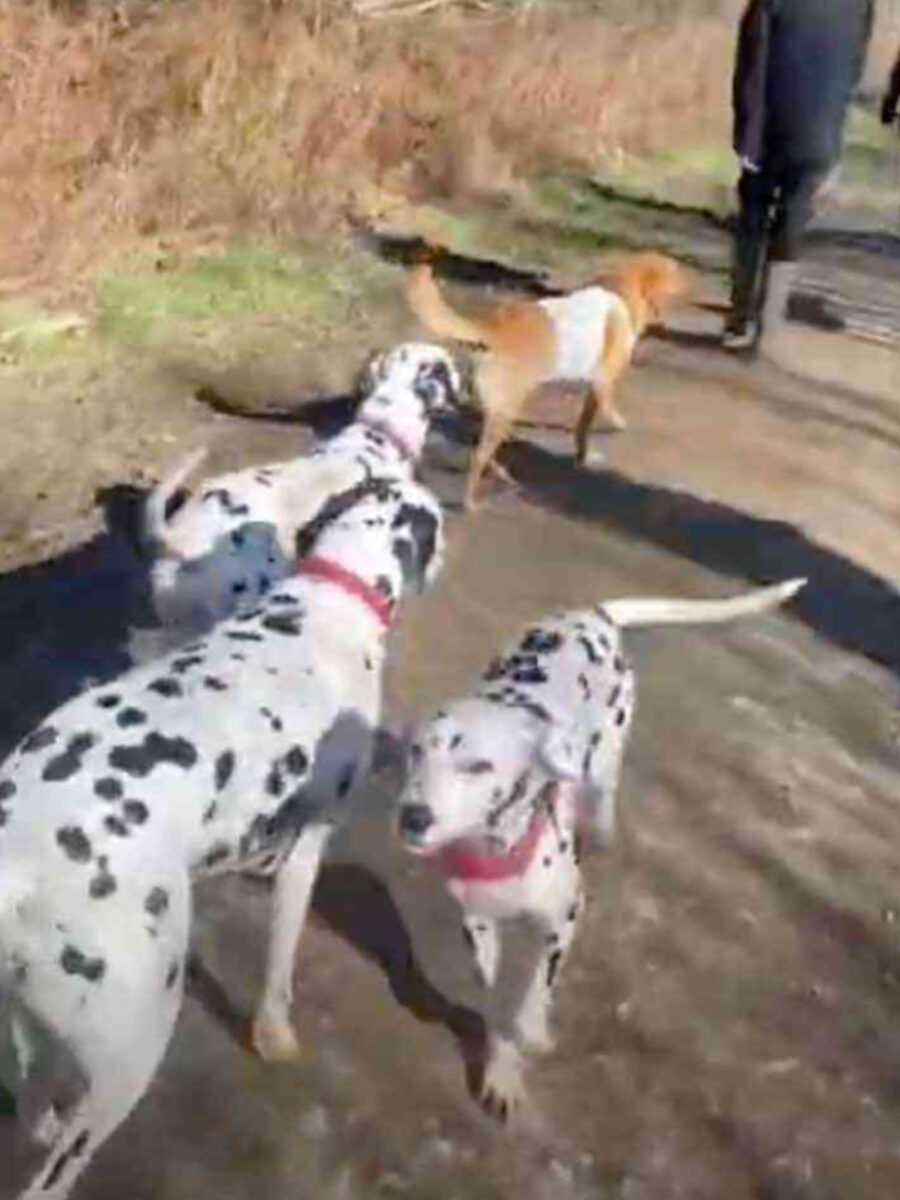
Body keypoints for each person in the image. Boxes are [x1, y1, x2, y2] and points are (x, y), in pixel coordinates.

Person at [724, 0, 875, 355]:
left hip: (768, 129)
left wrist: (746, 132)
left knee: (753, 217)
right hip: (820, 133)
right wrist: (835, 138)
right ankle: (769, 323)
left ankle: (741, 315)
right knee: (792, 220)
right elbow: (853, 72)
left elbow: (751, 66)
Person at [881, 45, 900, 127]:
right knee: (893, 95)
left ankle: (887, 117)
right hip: (898, 72)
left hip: (897, 71)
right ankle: (886, 118)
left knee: (893, 95)